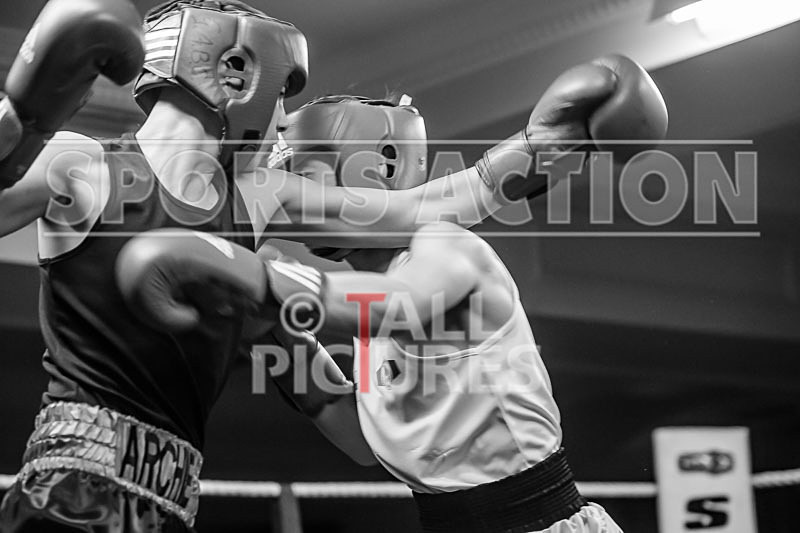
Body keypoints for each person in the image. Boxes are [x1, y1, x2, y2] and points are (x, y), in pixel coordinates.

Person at [114, 62, 668, 531]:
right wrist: (274, 335)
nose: (295, 201)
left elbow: (395, 305)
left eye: (306, 174)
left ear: (379, 165)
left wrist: (261, 281)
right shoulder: (363, 310)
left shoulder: (446, 247)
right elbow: (360, 438)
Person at [0, 0, 308, 530]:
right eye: (280, 94)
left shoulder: (246, 217)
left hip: (169, 509)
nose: (282, 120)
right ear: (234, 73)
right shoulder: (81, 164)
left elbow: (407, 211)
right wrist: (20, 118)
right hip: (71, 496)